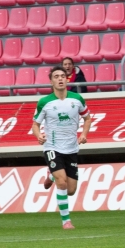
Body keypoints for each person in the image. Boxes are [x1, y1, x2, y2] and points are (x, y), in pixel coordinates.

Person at [32, 66, 92, 230]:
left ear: (67, 79)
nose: (60, 79)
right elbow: (35, 124)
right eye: (56, 76)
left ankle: (51, 176)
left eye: (63, 76)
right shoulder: (45, 102)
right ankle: (66, 221)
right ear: (51, 81)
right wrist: (39, 136)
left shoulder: (77, 99)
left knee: (71, 190)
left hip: (71, 148)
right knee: (62, 182)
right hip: (52, 147)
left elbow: (87, 118)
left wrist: (84, 134)